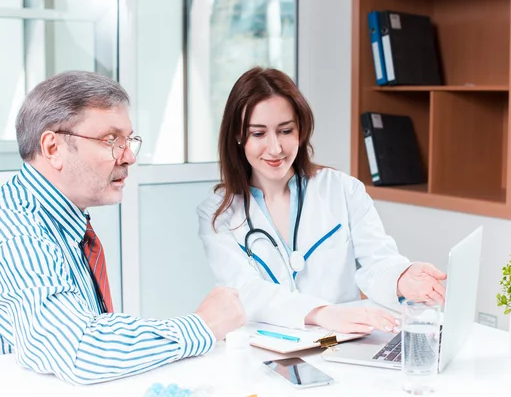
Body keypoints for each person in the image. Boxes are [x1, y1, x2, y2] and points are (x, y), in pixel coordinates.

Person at [0, 71, 245, 385]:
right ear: (52, 148)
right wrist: (203, 326)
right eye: (110, 140)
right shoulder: (18, 229)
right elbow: (79, 349)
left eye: (128, 140)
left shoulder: (57, 218)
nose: (129, 156)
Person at [197, 67, 447, 334]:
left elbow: (378, 261)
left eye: (285, 131)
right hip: (266, 349)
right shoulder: (217, 215)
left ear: (301, 130)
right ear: (238, 136)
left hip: (341, 342)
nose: (275, 148)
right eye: (258, 134)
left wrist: (402, 277)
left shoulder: (342, 190)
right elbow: (244, 291)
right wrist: (322, 314)